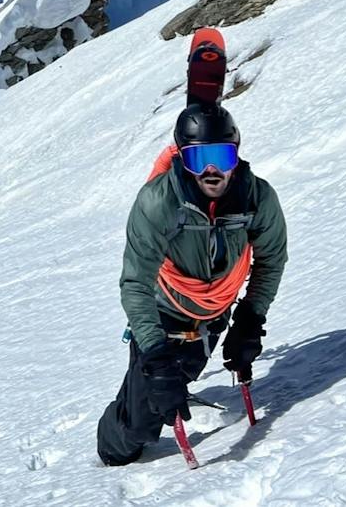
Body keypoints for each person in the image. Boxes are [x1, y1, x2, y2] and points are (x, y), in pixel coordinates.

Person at [97, 102, 288, 466]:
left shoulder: (257, 198)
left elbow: (271, 259)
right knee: (139, 425)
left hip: (213, 314)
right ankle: (111, 442)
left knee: (178, 378)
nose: (212, 170)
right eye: (200, 159)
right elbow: (136, 282)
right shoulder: (158, 203)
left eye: (222, 156)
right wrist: (153, 354)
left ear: (237, 154)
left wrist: (249, 320)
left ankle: (149, 387)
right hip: (163, 313)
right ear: (183, 160)